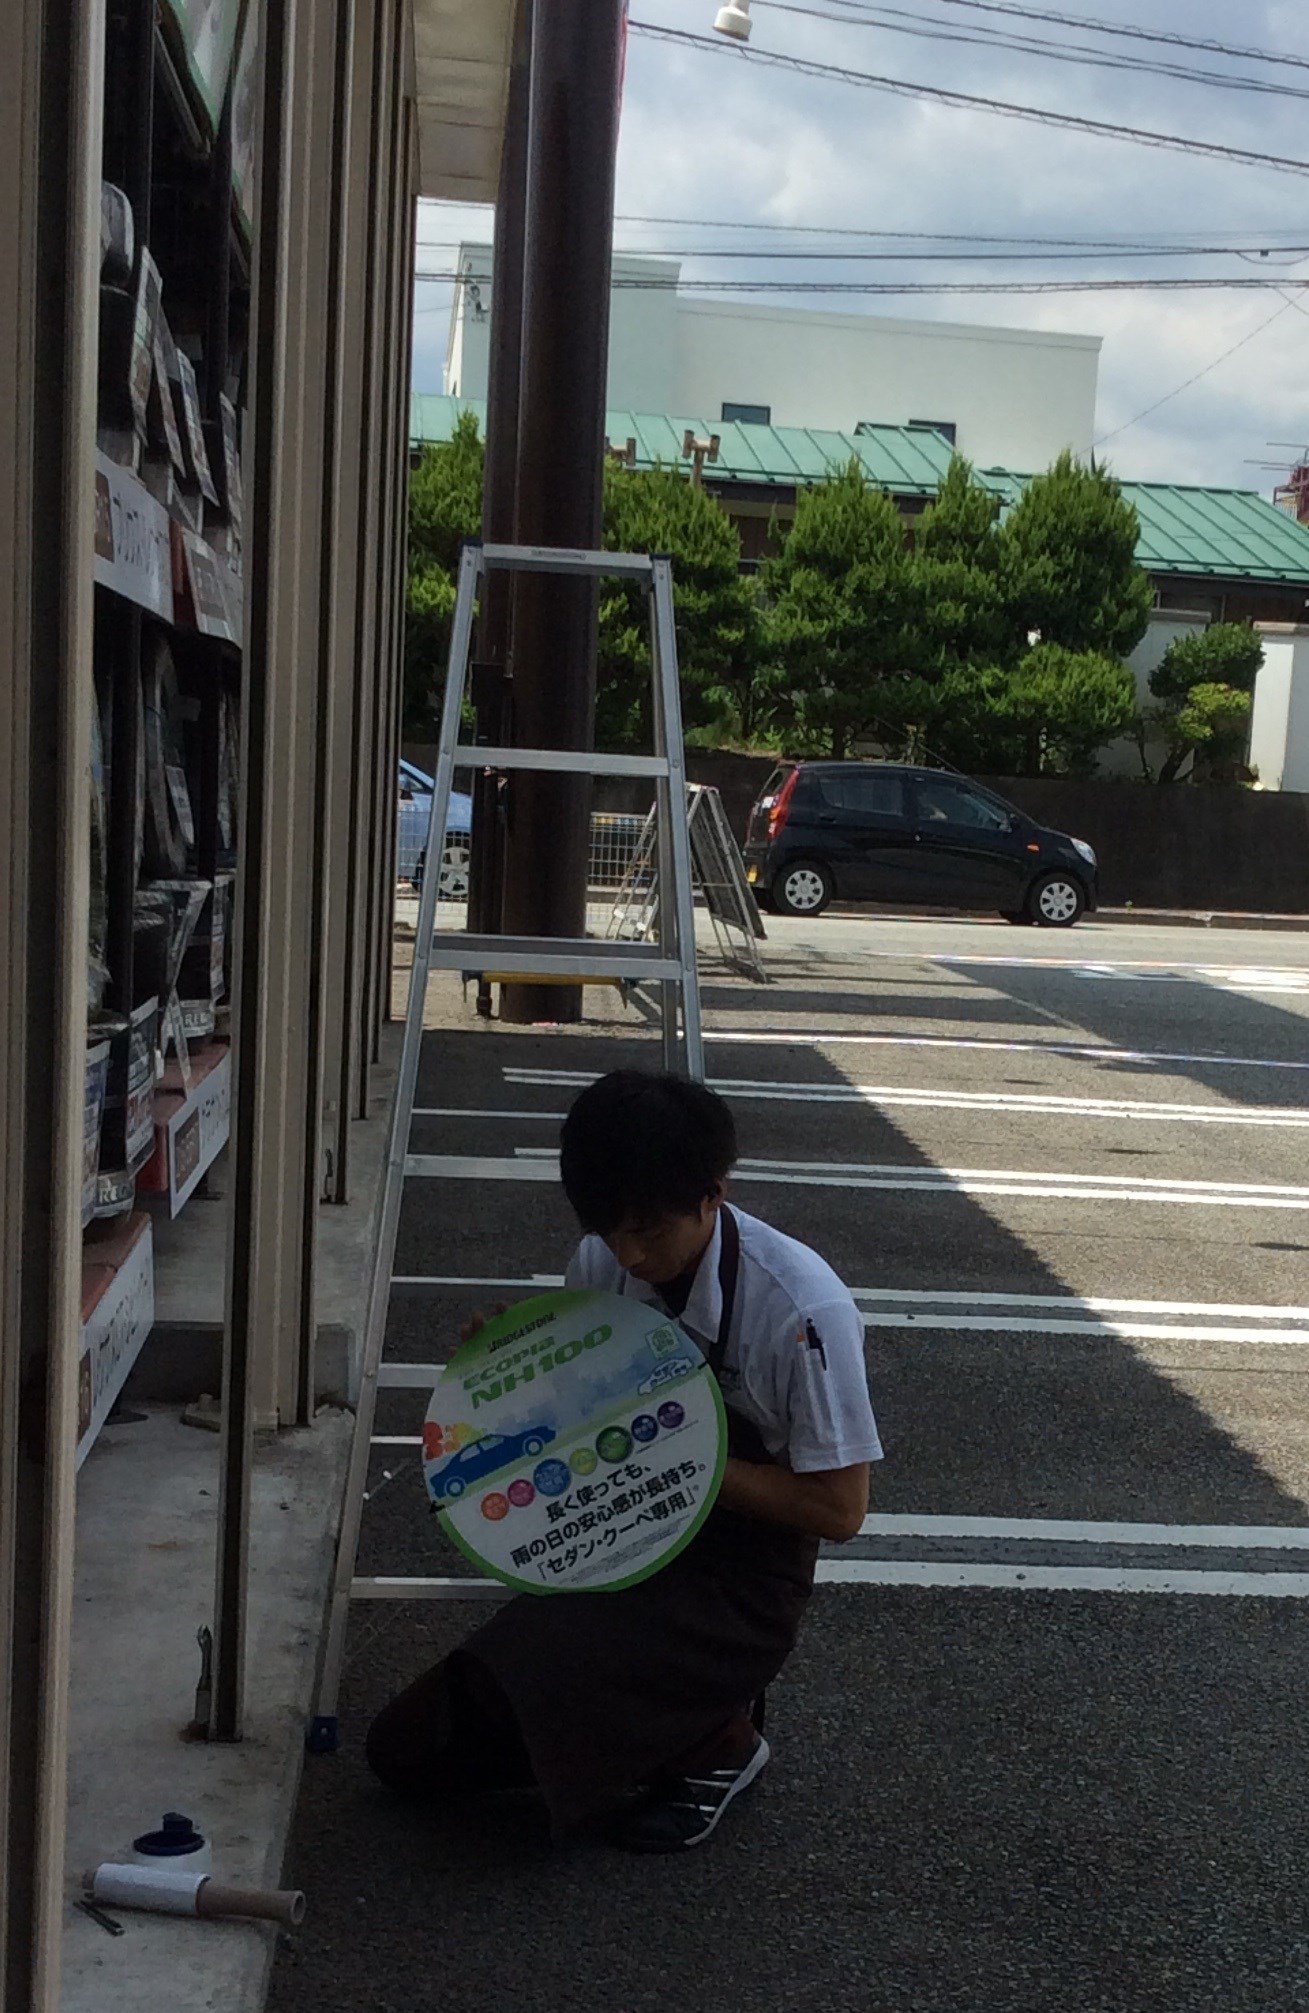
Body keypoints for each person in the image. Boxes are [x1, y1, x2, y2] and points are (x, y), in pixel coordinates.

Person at [366, 1069, 882, 1853]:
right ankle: (670, 1721)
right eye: (609, 1231)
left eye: (647, 1230)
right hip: (620, 1533)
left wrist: (684, 1455)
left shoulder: (803, 1310)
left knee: (543, 1695)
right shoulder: (599, 1260)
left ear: (712, 1195)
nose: (628, 1254)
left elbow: (838, 1510)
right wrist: (505, 1369)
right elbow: (575, 1415)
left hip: (739, 1579)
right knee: (407, 1749)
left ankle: (720, 1743)